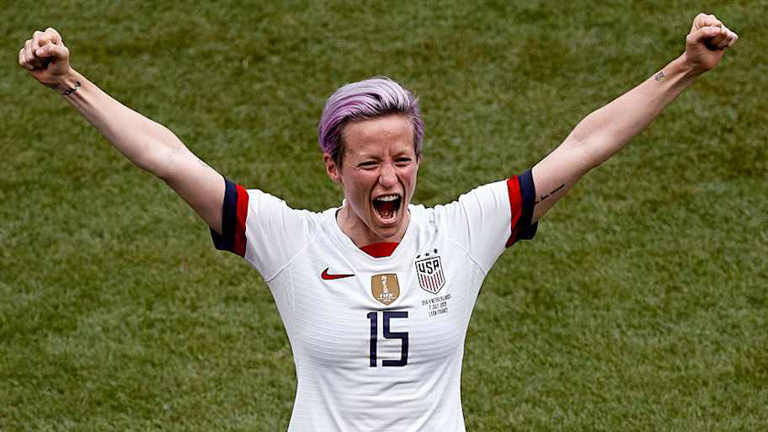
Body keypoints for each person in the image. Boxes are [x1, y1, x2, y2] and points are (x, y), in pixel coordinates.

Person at [18, 13, 738, 432]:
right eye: (368, 163)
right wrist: (69, 83)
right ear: (333, 167)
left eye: (403, 159)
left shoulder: (463, 231)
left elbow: (584, 148)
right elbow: (169, 158)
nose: (389, 178)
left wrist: (684, 69)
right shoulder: (288, 240)